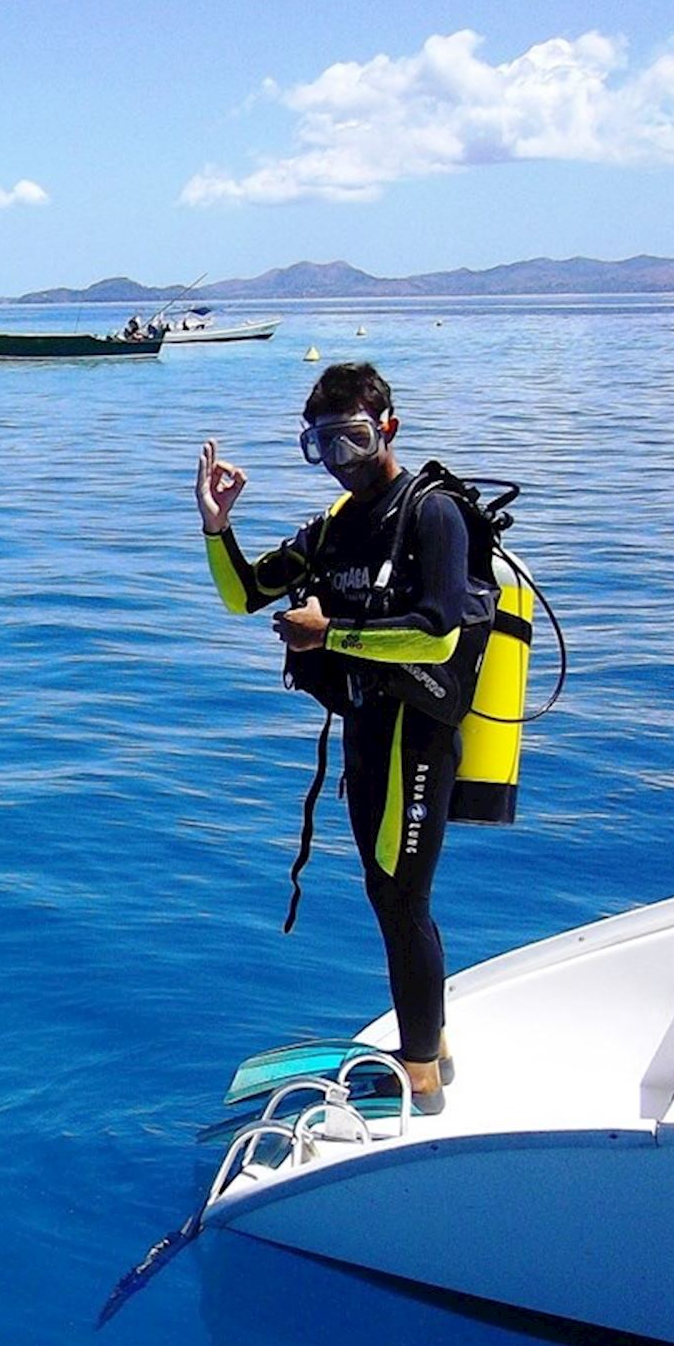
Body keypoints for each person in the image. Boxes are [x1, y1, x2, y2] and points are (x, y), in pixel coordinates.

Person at [193, 362, 494, 1112]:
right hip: (367, 730)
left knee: (402, 899)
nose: (340, 458)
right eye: (322, 444)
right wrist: (216, 525)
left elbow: (438, 636)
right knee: (382, 892)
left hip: (420, 739)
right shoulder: (333, 528)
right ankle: (434, 1047)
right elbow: (242, 596)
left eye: (354, 438)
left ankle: (422, 1078)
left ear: (387, 426)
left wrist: (333, 632)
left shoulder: (431, 514)